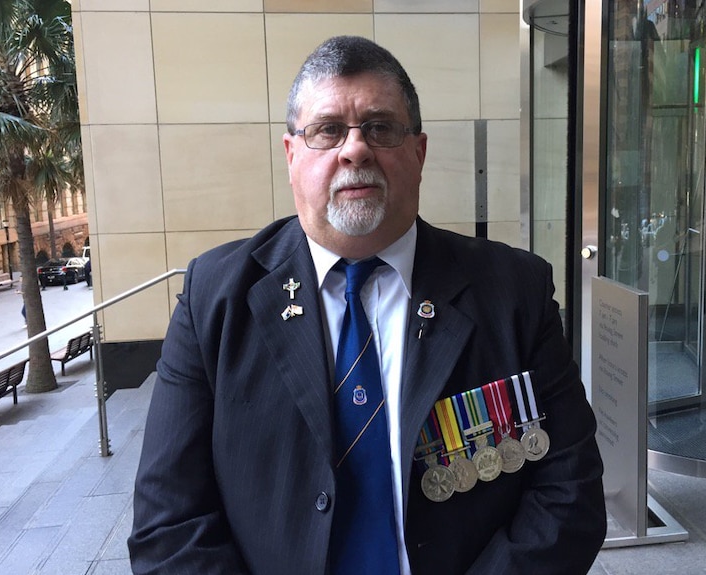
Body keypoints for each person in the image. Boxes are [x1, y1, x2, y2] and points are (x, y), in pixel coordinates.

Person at [128, 36, 606, 575]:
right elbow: (168, 524)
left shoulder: (513, 289)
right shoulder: (214, 296)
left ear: (419, 153)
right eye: (327, 130)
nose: (355, 149)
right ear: (291, 156)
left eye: (380, 128)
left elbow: (570, 494)